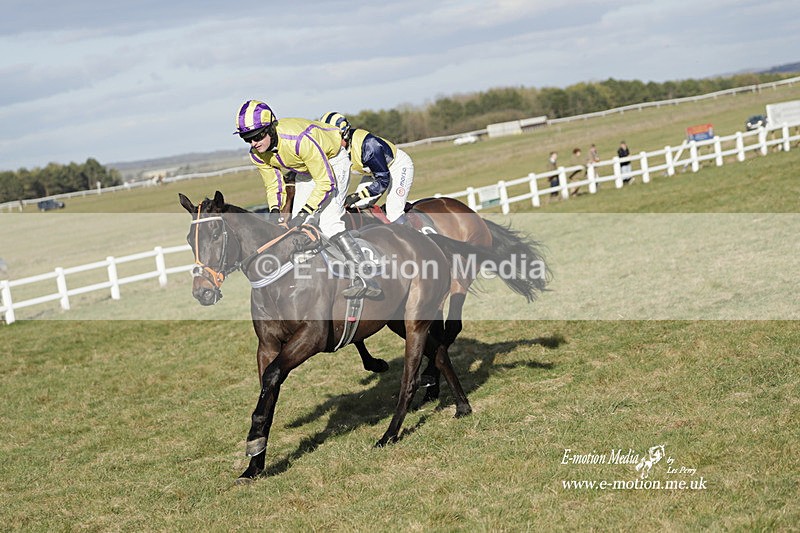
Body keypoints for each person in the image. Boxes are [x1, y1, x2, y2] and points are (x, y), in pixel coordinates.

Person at [234, 99, 381, 298]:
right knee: (297, 229)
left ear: (270, 129)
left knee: (329, 223)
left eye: (257, 136)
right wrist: (275, 211)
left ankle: (366, 276)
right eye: (247, 138)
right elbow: (273, 185)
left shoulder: (298, 140)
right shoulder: (257, 154)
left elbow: (325, 182)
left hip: (333, 161)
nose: (254, 143)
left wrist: (305, 212)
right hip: (304, 168)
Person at [319, 112, 414, 222]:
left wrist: (358, 195)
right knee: (356, 207)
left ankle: (415, 236)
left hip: (396, 167)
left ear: (345, 135)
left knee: (394, 212)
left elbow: (383, 180)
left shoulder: (368, 145)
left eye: (332, 139)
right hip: (373, 172)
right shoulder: (333, 149)